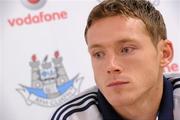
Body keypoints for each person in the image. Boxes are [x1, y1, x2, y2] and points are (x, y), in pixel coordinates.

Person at [51, 0, 180, 120]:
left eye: (126, 50)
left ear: (164, 53)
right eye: (99, 54)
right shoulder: (73, 117)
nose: (111, 66)